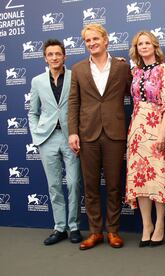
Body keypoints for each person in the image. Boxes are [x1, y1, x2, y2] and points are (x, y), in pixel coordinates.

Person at [68, 23, 132, 250]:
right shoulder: (77, 69)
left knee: (114, 185)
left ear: (106, 40)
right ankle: (95, 232)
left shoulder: (122, 68)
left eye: (96, 39)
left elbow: (135, 94)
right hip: (87, 133)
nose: (92, 43)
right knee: (91, 186)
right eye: (88, 40)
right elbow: (73, 102)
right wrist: (73, 132)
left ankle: (113, 231)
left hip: (114, 132)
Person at [125, 31, 165, 247]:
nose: (144, 46)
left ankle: (160, 225)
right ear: (136, 49)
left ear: (155, 46)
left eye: (147, 43)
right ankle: (146, 225)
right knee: (140, 179)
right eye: (140, 44)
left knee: (157, 177)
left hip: (157, 126)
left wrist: (162, 133)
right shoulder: (135, 71)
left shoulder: (164, 70)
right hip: (137, 129)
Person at [28, 39, 82, 245]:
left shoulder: (74, 76)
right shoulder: (37, 81)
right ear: (45, 58)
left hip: (71, 136)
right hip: (47, 138)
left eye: (58, 54)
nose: (54, 58)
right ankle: (59, 228)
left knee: (75, 183)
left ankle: (74, 226)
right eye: (50, 54)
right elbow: (33, 112)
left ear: (64, 56)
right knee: (54, 185)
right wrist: (36, 134)